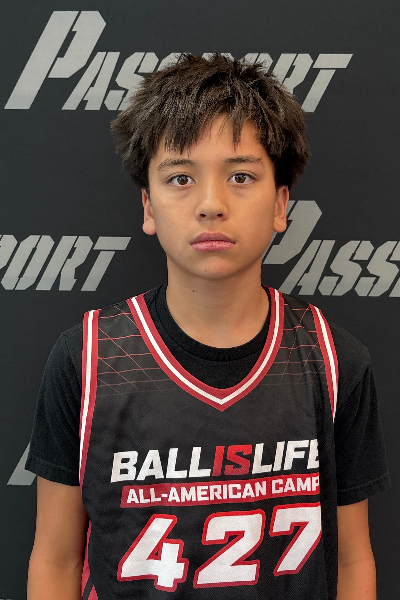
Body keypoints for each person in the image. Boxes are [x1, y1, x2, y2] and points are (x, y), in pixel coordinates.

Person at [26, 53, 390, 600]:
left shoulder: (334, 361)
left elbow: (353, 559)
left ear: (281, 204)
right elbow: (56, 559)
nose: (211, 204)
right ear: (148, 207)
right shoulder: (88, 357)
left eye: (241, 176)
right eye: (180, 178)